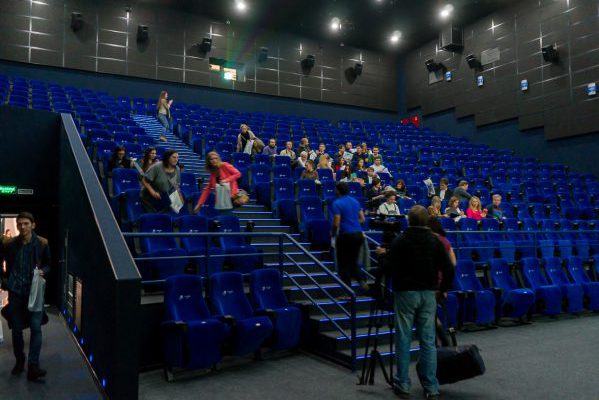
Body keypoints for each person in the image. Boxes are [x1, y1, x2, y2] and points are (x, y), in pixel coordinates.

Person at [375, 206, 454, 400]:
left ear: (409, 220)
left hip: (406, 293)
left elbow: (389, 268)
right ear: (426, 221)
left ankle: (403, 383)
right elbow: (449, 268)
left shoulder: (401, 240)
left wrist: (383, 256)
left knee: (403, 338)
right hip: (428, 293)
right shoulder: (435, 241)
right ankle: (431, 387)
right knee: (428, 341)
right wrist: (442, 289)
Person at [0, 212, 50, 381]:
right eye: (20, 224)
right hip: (15, 292)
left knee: (36, 327)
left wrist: (43, 271)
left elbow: (48, 264)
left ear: (33, 225)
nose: (22, 226)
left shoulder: (42, 243)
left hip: (34, 292)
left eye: (26, 223)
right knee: (16, 330)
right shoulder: (9, 244)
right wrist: (4, 279)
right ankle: (20, 361)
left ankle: (33, 365)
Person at [331, 182, 369, 300]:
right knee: (353, 262)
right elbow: (362, 219)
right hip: (358, 234)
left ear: (338, 191)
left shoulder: (337, 203)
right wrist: (353, 223)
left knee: (343, 265)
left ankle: (348, 293)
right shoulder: (355, 201)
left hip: (346, 235)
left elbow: (336, 222)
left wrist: (333, 234)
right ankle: (361, 280)